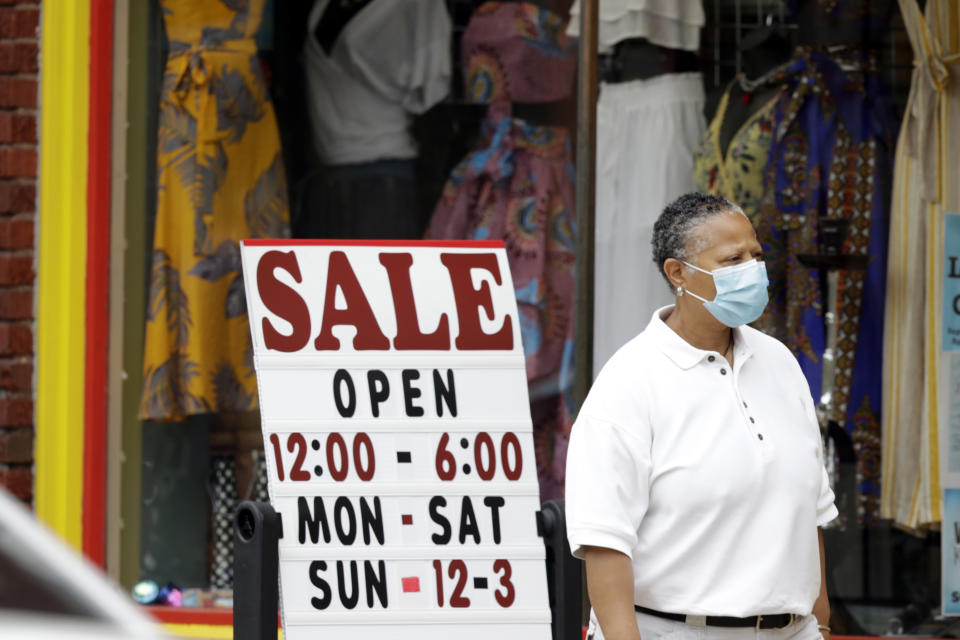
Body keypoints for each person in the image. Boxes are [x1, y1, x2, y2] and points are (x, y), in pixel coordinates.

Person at [565, 193, 837, 640]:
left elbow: (809, 516)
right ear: (678, 273)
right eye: (732, 260)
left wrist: (820, 624)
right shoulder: (629, 381)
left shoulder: (780, 363)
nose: (752, 269)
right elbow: (604, 543)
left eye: (756, 255)